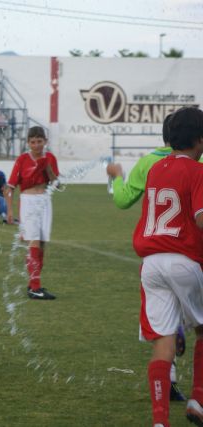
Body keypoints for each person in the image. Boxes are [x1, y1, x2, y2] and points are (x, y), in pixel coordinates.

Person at [128, 107, 203, 427]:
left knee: (163, 341)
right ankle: (198, 400)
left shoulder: (156, 169)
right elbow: (200, 218)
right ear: (200, 139)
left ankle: (160, 422)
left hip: (151, 265)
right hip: (184, 260)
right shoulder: (198, 172)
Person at [107, 113, 188, 402]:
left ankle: (171, 382)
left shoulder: (148, 162)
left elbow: (123, 199)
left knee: (163, 324)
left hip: (155, 252)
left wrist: (116, 178)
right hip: (192, 252)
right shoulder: (197, 161)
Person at [4, 126, 59, 300]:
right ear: (28, 143)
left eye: (39, 141)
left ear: (45, 142)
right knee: (33, 241)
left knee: (41, 243)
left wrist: (47, 167)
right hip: (28, 201)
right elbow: (10, 187)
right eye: (33, 142)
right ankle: (35, 287)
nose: (36, 145)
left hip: (45, 201)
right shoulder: (22, 160)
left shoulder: (50, 158)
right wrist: (10, 210)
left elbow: (57, 183)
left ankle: (33, 284)